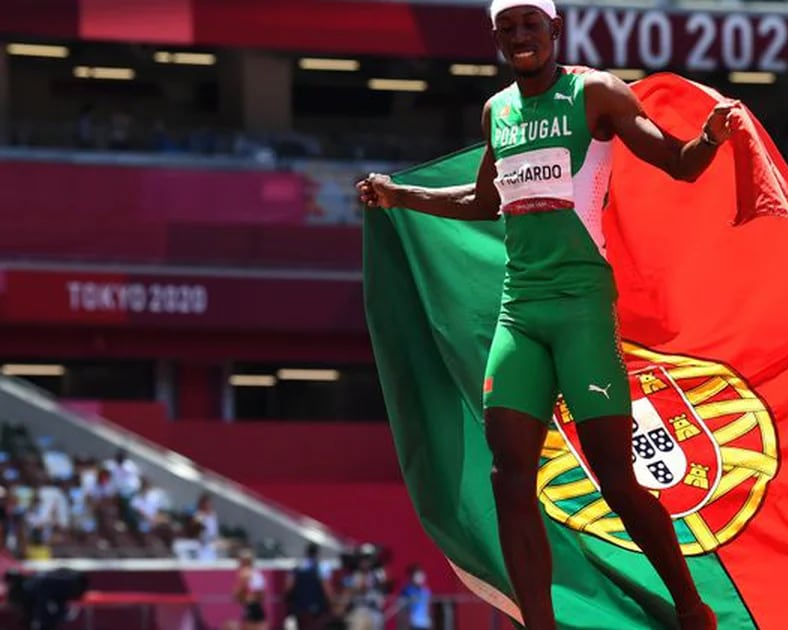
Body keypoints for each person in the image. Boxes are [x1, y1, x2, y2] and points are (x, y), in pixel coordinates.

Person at [356, 0, 729, 627]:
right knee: (509, 477)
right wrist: (401, 195)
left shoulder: (596, 95)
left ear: (555, 29)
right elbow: (483, 200)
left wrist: (710, 139)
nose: (520, 37)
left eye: (531, 25)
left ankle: (693, 610)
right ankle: (540, 622)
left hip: (581, 308)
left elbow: (678, 163)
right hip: (520, 313)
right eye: (508, 29)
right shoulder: (496, 111)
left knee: (615, 475)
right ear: (497, 39)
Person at [286, 543, 334, 630]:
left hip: (299, 608)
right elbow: (327, 589)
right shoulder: (322, 567)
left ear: (306, 552)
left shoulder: (297, 567)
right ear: (317, 553)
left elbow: (289, 586)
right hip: (317, 609)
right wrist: (331, 603)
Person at [230, 549, 267, 630]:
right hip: (256, 606)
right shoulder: (257, 573)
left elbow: (238, 593)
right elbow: (262, 594)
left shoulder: (245, 573)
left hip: (251, 606)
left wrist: (238, 595)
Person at [399, 565, 433, 630]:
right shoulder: (407, 590)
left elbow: (429, 607)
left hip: (425, 623)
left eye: (420, 575)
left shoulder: (426, 591)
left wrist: (431, 621)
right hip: (413, 622)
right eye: (416, 575)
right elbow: (403, 609)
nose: (419, 577)